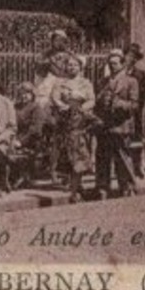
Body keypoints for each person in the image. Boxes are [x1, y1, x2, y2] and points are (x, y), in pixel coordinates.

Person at [93, 45, 142, 198]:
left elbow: (135, 105)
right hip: (105, 126)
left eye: (115, 63)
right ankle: (102, 187)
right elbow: (96, 102)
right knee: (102, 158)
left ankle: (127, 186)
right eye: (110, 63)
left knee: (122, 158)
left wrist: (119, 103)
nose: (112, 66)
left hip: (121, 125)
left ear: (122, 64)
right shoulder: (103, 82)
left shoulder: (131, 81)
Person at [47, 51, 95, 194]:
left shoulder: (85, 83)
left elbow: (92, 100)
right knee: (66, 151)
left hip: (79, 121)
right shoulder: (60, 82)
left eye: (75, 65)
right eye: (69, 65)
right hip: (65, 119)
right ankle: (70, 182)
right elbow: (54, 97)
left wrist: (81, 108)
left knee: (79, 151)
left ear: (80, 67)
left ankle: (77, 183)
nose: (72, 67)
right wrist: (64, 106)